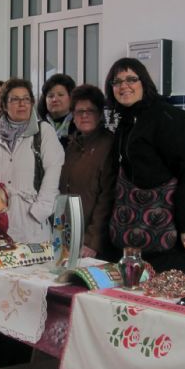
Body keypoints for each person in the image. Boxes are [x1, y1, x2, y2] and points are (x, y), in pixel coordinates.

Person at [106, 57, 185, 280]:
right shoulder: (127, 122)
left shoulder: (170, 118)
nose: (123, 86)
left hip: (176, 235)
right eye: (116, 81)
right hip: (142, 231)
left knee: (175, 299)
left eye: (131, 79)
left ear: (144, 83)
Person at [0, 78, 64, 244]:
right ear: (4, 105)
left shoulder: (44, 132)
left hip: (32, 226)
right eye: (15, 99)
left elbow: (53, 173)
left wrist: (39, 212)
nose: (22, 104)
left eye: (26, 99)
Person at [59, 84, 115, 258]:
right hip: (67, 236)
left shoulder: (109, 145)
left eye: (90, 110)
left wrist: (92, 242)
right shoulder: (71, 146)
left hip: (93, 245)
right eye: (78, 111)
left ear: (100, 114)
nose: (84, 115)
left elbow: (107, 198)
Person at [37, 74, 76, 148]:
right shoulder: (38, 128)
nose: (55, 99)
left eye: (60, 95)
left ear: (71, 97)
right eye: (50, 96)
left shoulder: (80, 125)